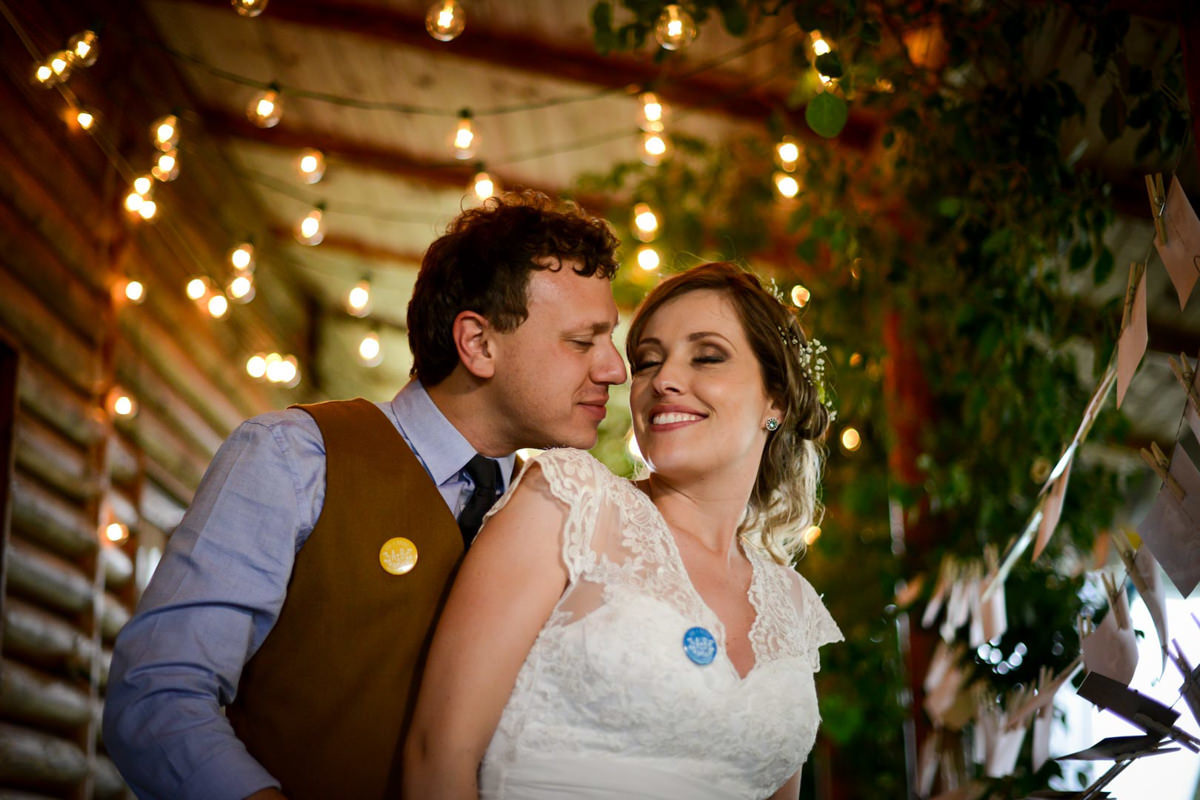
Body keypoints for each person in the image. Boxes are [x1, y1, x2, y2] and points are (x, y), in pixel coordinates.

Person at [102, 191, 628, 800]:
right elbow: (158, 695)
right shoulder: (293, 455)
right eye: (583, 342)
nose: (614, 369)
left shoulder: (559, 520)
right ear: (478, 344)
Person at [405, 261, 843, 799]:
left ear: (774, 399)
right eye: (648, 361)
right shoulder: (569, 501)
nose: (664, 380)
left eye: (706, 357)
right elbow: (439, 752)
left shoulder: (794, 605)